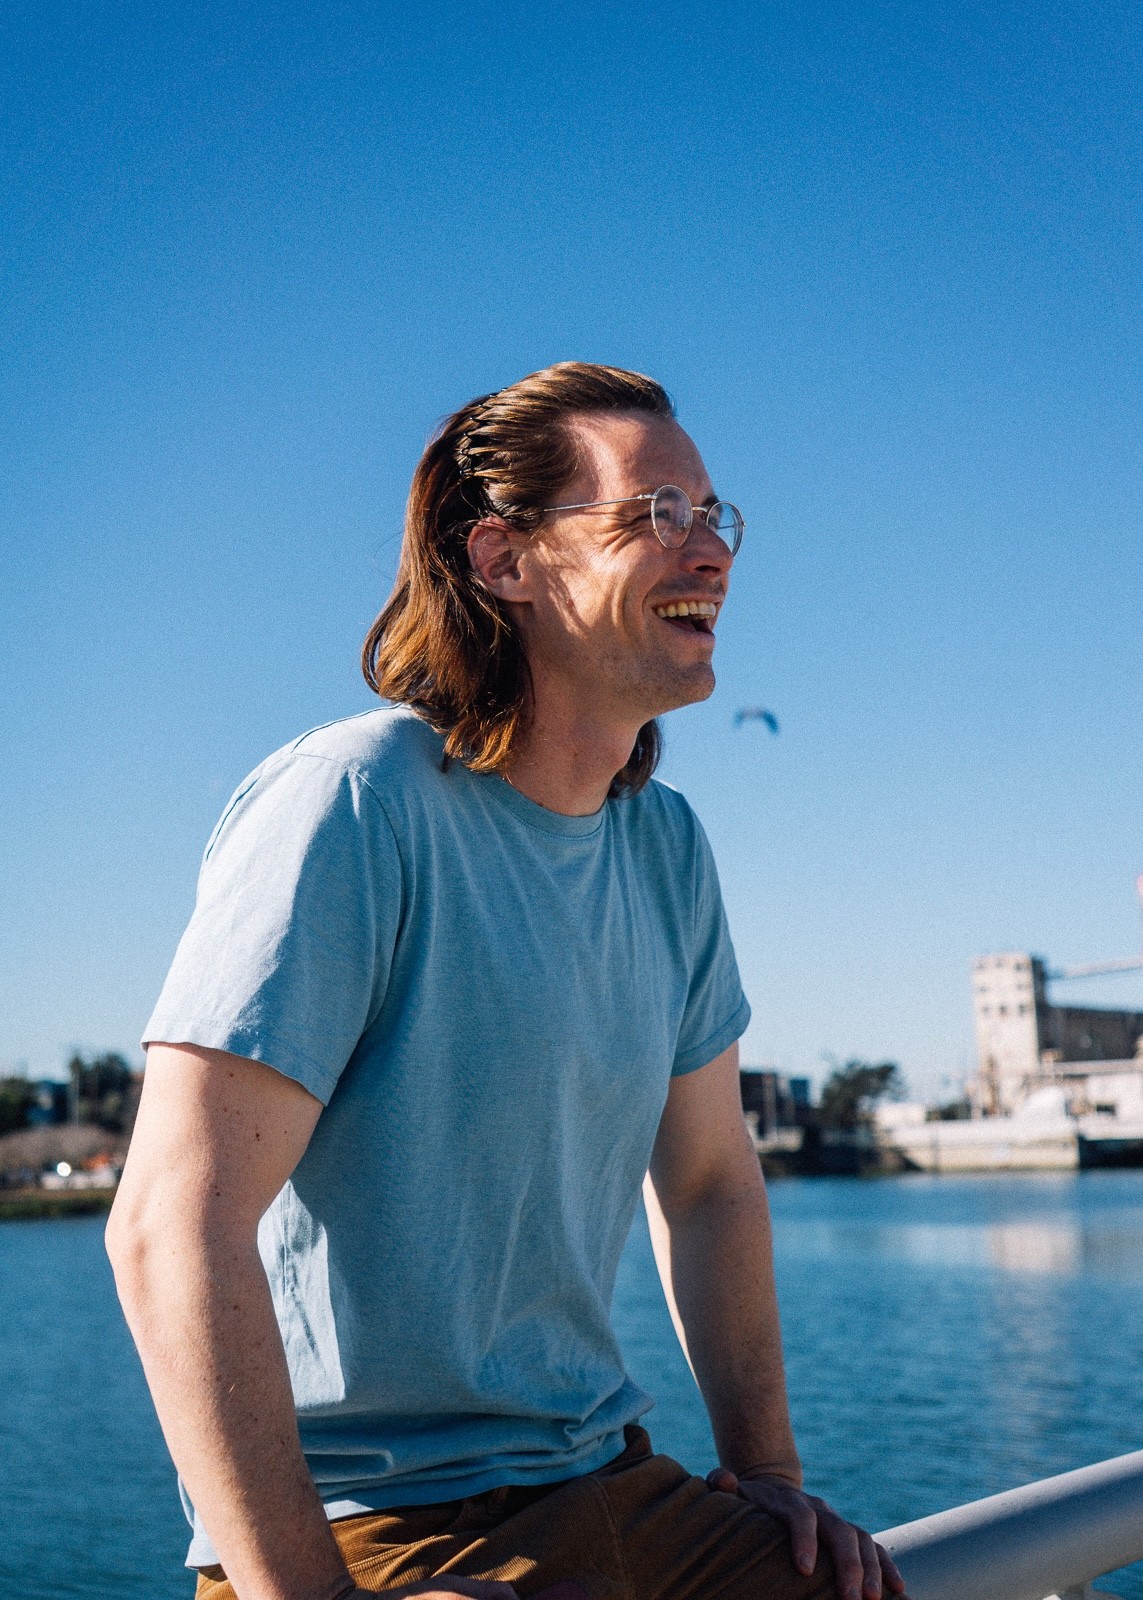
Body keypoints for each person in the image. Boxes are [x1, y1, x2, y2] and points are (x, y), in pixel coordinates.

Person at [107, 363, 904, 1600]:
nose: (711, 553)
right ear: (505, 560)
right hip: (373, 1528)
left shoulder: (667, 845)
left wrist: (776, 1487)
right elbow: (170, 1227)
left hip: (615, 1483)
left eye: (714, 515)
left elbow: (705, 1185)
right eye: (656, 515)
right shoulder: (355, 802)